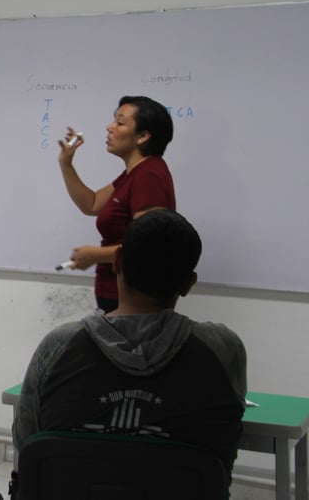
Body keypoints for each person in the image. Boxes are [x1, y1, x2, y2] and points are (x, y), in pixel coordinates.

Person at [13, 210, 247, 482]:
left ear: (117, 262)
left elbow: (25, 440)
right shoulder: (223, 350)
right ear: (188, 283)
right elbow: (226, 441)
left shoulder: (58, 347)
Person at [58, 95, 176, 312]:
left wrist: (94, 255)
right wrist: (65, 163)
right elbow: (91, 204)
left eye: (120, 123)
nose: (109, 127)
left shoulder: (149, 176)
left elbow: (150, 245)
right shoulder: (134, 173)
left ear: (143, 136)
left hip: (132, 298)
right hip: (115, 293)